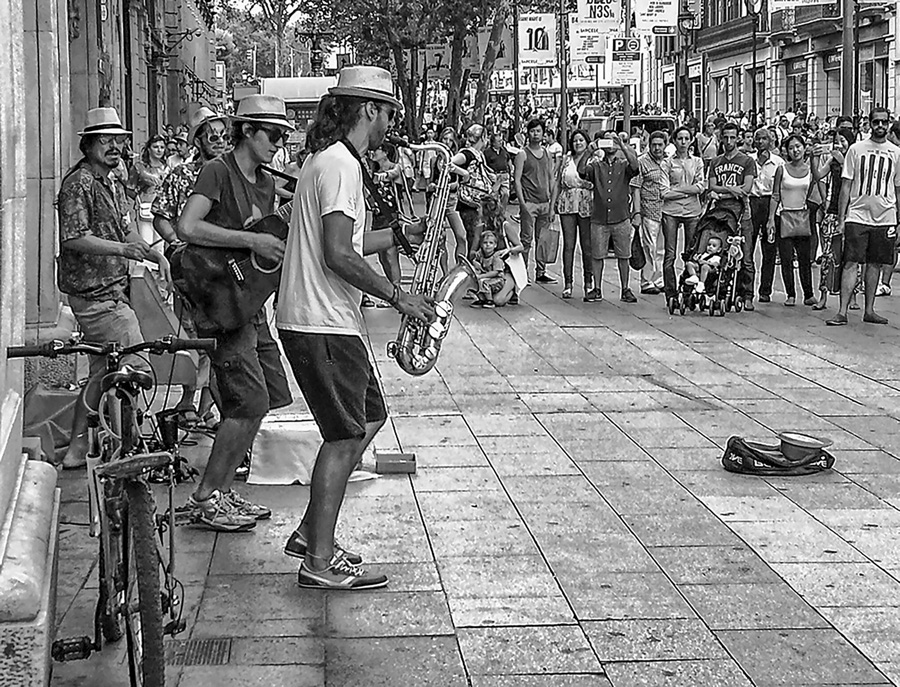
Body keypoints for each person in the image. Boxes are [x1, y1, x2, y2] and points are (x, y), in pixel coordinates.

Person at [276, 66, 434, 590]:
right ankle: (318, 563)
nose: (390, 124)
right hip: (321, 320)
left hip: (322, 318)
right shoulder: (341, 164)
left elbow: (349, 241)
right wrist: (397, 296)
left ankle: (310, 533)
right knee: (343, 437)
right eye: (388, 112)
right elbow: (338, 254)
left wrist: (400, 235)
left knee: (369, 416)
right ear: (369, 109)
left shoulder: (328, 161)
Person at [177, 94, 295, 530]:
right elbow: (188, 226)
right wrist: (250, 240)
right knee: (248, 401)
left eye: (283, 137)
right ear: (247, 130)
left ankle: (223, 491)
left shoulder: (266, 182)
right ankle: (207, 498)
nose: (278, 144)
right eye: (273, 134)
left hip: (249, 304)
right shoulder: (217, 171)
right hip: (221, 303)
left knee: (267, 397)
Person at [57, 107, 171, 469]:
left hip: (113, 289)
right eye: (104, 140)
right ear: (88, 145)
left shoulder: (112, 181)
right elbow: (74, 237)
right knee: (134, 363)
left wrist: (153, 254)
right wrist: (123, 250)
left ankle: (79, 447)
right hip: (94, 294)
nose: (113, 147)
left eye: (117, 140)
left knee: (102, 370)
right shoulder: (79, 183)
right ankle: (126, 445)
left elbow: (126, 229)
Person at [152, 106, 229, 428]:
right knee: (191, 337)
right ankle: (187, 401)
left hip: (226, 273)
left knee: (221, 340)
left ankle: (207, 408)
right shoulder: (181, 175)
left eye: (224, 136)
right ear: (198, 141)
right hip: (189, 272)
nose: (220, 141)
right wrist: (175, 242)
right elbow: (160, 215)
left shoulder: (234, 175)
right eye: (212, 137)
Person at [827, 108, 900, 326]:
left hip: (885, 215)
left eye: (884, 122)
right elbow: (846, 185)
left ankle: (869, 310)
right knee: (850, 261)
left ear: (889, 124)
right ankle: (842, 311)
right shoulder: (856, 149)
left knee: (875, 262)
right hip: (857, 215)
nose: (880, 126)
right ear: (870, 123)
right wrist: (841, 218)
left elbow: (898, 188)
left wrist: (898, 220)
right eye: (876, 122)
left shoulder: (896, 153)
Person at [578, 131, 640, 303]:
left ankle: (625, 288)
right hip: (599, 217)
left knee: (624, 255)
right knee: (597, 255)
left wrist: (622, 146)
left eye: (613, 140)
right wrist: (589, 151)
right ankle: (597, 288)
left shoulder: (623, 164)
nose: (610, 143)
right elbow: (581, 171)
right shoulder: (596, 166)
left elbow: (635, 167)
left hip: (621, 216)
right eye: (607, 140)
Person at [767, 134, 823, 306]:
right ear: (786, 151)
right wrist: (770, 219)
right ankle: (790, 294)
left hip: (803, 217)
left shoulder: (811, 171)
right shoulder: (781, 169)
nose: (795, 150)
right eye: (791, 148)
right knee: (786, 258)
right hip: (784, 217)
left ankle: (808, 293)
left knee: (805, 258)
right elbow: (775, 195)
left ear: (804, 148)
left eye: (798, 146)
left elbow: (816, 188)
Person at [708, 121, 757, 310]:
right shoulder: (716, 161)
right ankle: (723, 290)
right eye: (726, 137)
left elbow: (746, 188)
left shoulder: (747, 161)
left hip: (743, 213)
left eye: (732, 137)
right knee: (720, 254)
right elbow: (712, 186)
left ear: (738, 139)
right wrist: (731, 189)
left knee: (746, 257)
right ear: (721, 138)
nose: (729, 141)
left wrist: (723, 192)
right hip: (721, 214)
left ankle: (747, 295)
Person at [661, 126, 706, 303]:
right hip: (671, 210)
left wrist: (678, 190)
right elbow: (664, 192)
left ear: (691, 140)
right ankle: (670, 293)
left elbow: (700, 187)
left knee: (691, 253)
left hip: (692, 211)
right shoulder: (667, 163)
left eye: (687, 138)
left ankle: (688, 290)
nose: (683, 142)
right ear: (674, 140)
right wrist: (688, 191)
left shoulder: (697, 162)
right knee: (670, 254)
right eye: (680, 138)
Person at [814, 128, 855, 311]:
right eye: (837, 141)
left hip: (853, 212)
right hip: (832, 210)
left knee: (851, 257)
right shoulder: (833, 159)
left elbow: (857, 179)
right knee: (828, 255)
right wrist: (814, 157)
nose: (839, 144)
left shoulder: (855, 157)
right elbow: (818, 175)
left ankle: (852, 295)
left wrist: (843, 161)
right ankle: (823, 295)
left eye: (843, 140)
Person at [514, 118, 556, 283]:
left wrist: (552, 203)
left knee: (542, 239)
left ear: (543, 133)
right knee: (526, 240)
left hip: (544, 202)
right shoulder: (522, 154)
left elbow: (551, 177)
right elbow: (517, 180)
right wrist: (522, 203)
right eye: (532, 131)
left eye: (538, 131)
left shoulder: (547, 153)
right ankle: (523, 272)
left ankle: (541, 271)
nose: (535, 134)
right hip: (529, 202)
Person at [554, 129, 594, 299]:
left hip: (587, 203)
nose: (578, 143)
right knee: (569, 244)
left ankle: (589, 282)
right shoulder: (566, 159)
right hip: (567, 202)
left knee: (587, 245)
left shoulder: (593, 159)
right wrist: (553, 204)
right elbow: (557, 182)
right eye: (575, 140)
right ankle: (568, 283)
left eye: (581, 140)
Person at [631, 130, 670, 295]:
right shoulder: (642, 162)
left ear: (665, 145)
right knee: (649, 247)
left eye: (660, 145)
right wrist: (637, 212)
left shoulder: (668, 162)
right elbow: (636, 188)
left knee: (662, 248)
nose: (657, 148)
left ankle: (659, 280)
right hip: (649, 209)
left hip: (667, 209)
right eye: (654, 145)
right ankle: (646, 281)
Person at [749, 128, 785, 303]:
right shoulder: (749, 160)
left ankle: (765, 290)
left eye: (764, 139)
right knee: (747, 248)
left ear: (770, 141)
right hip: (752, 202)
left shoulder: (778, 162)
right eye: (758, 139)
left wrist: (774, 213)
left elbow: (780, 189)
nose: (761, 142)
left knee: (769, 249)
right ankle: (746, 289)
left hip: (770, 203)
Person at [131, 134, 170, 244]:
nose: (159, 150)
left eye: (162, 147)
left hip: (162, 210)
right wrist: (138, 198)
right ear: (149, 149)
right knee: (146, 242)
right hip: (145, 207)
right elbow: (129, 188)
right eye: (155, 147)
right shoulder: (139, 167)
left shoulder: (167, 167)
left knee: (160, 244)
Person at [471, 230, 506, 308]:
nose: (488, 245)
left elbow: (496, 272)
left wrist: (482, 276)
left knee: (484, 283)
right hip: (485, 276)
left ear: (495, 245)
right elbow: (475, 260)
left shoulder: (496, 257)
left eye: (491, 243)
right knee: (474, 282)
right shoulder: (480, 254)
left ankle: (490, 300)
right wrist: (475, 263)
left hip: (497, 279)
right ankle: (481, 299)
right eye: (485, 243)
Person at [484, 131, 511, 208]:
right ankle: (494, 211)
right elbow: (485, 165)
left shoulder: (504, 150)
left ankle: (502, 212)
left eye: (501, 141)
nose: (500, 142)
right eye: (498, 141)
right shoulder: (487, 152)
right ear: (493, 143)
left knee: (505, 194)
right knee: (494, 196)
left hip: (504, 175)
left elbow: (508, 159)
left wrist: (510, 170)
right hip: (494, 176)